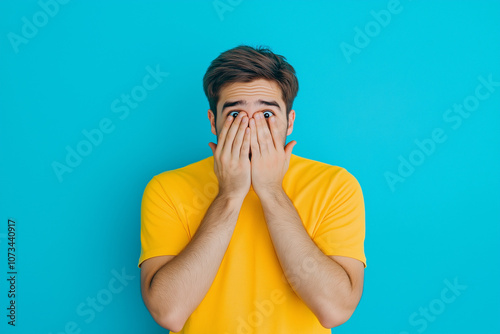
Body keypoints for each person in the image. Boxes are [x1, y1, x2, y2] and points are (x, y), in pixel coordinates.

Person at [137, 45, 366, 333]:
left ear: (290, 122)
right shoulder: (166, 188)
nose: (250, 128)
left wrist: (270, 191)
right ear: (213, 122)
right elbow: (169, 313)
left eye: (267, 115)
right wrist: (229, 195)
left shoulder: (336, 186)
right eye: (234, 114)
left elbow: (335, 310)